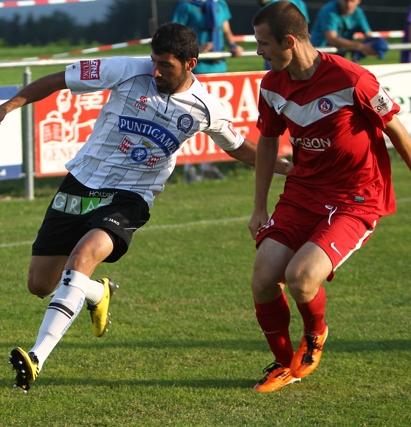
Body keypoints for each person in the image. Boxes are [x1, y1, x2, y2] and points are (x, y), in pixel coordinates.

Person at [0, 22, 292, 392]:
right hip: (82, 181)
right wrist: (7, 107)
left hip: (131, 196)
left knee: (83, 257)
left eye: (166, 66)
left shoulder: (206, 107)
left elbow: (237, 146)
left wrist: (285, 166)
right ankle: (96, 292)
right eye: (154, 62)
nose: (155, 71)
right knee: (40, 284)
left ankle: (37, 357)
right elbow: (59, 79)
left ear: (190, 64)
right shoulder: (126, 69)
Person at [248, 1, 411, 392]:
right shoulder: (272, 86)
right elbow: (268, 143)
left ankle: (315, 334)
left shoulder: (353, 78)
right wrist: (258, 207)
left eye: (263, 43)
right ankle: (283, 363)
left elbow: (397, 132)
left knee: (301, 280)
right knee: (263, 280)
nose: (258, 52)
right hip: (302, 193)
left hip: (356, 197)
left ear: (289, 41)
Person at [171, 0, 244, 183]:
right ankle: (189, 167)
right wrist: (196, 49)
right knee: (191, 119)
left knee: (217, 120)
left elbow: (226, 30)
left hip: (219, 68)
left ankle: (207, 165)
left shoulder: (220, 4)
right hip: (196, 70)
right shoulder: (186, 6)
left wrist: (233, 45)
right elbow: (175, 37)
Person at [310, 0, 380, 61]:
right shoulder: (329, 10)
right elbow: (332, 39)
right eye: (346, 1)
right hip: (319, 56)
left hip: (338, 55)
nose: (349, 5)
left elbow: (368, 34)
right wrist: (361, 46)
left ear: (359, 1)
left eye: (352, 1)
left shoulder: (358, 12)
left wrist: (377, 43)